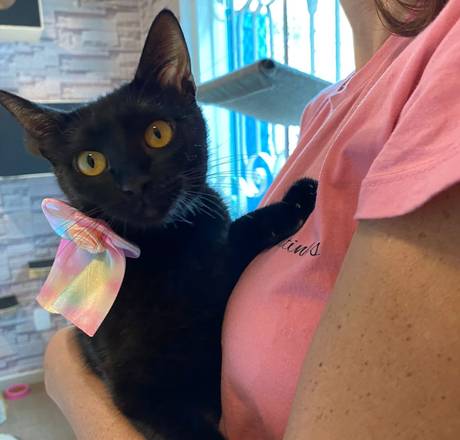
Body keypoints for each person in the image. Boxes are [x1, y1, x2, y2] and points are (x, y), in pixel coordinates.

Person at [44, 0, 460, 438]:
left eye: (156, 135)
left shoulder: (444, 68)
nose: (133, 184)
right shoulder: (323, 110)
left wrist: (65, 376)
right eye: (91, 163)